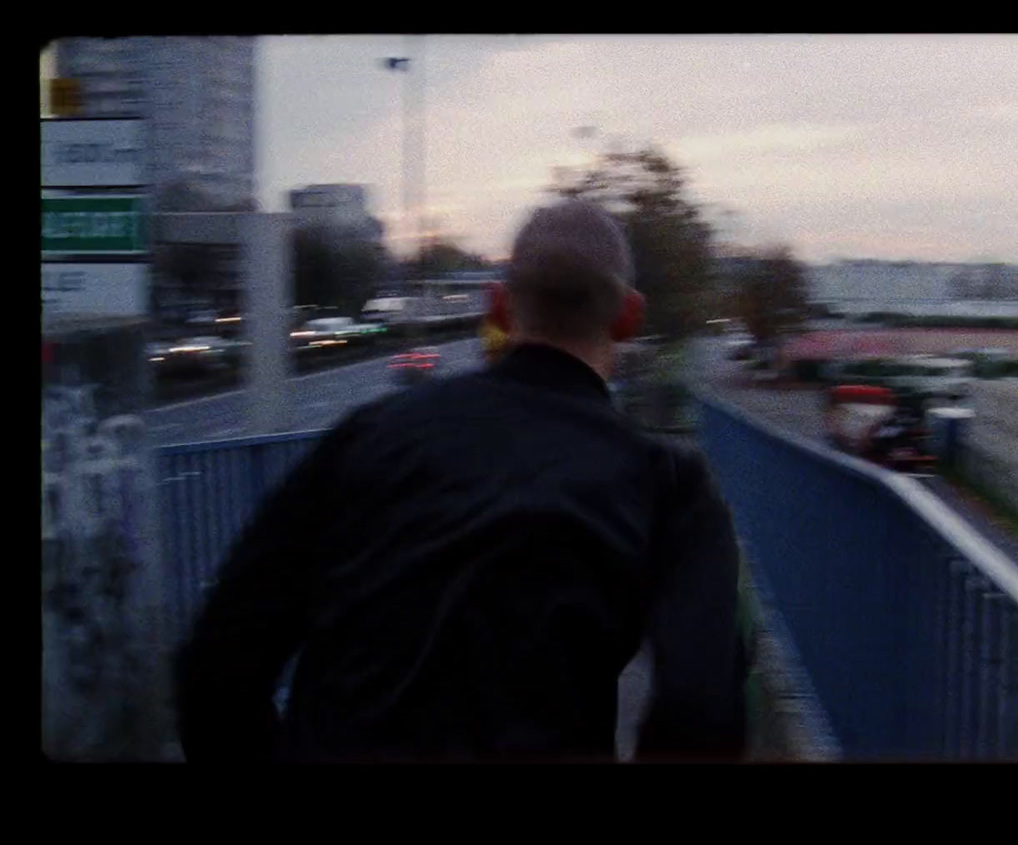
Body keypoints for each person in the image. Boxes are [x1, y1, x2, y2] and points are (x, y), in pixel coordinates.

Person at [175, 201, 748, 762]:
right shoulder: (668, 485)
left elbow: (217, 665)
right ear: (628, 317)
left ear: (497, 307)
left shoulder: (367, 436)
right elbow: (701, 711)